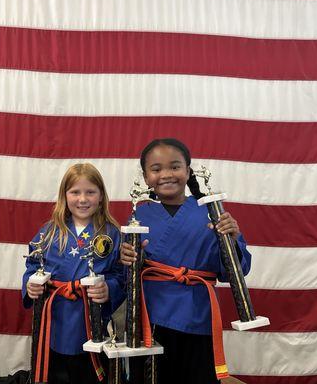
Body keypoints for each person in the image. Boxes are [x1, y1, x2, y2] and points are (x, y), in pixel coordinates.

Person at [120, 138, 251, 384]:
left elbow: (234, 271)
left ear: (188, 171)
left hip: (198, 316)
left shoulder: (212, 213)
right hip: (152, 318)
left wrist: (232, 239)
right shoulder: (140, 214)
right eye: (156, 169)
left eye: (175, 167)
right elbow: (127, 277)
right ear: (146, 177)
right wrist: (126, 259)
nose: (166, 174)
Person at [23, 163, 124, 384]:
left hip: (93, 321)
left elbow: (122, 275)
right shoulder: (49, 232)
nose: (82, 199)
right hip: (56, 321)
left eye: (90, 192)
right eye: (75, 192)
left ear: (101, 196)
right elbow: (32, 267)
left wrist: (109, 288)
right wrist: (30, 284)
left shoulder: (112, 234)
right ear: (64, 196)